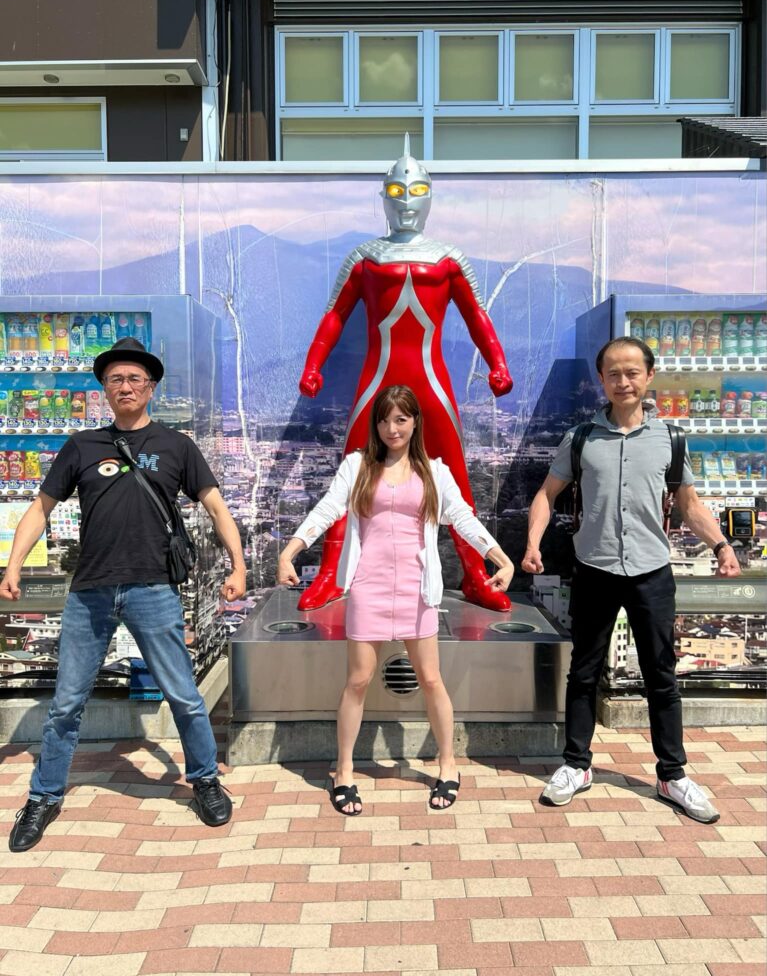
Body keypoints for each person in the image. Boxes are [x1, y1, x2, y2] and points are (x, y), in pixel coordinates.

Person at [2, 336, 247, 852]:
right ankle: (44, 796)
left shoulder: (176, 446)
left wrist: (239, 565)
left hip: (153, 588)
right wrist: (14, 565)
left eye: (135, 378)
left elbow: (216, 507)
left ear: (151, 387)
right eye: (116, 379)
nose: (126, 386)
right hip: (89, 590)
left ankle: (204, 779)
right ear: (104, 390)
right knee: (66, 703)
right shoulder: (81, 446)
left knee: (183, 695)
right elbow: (41, 509)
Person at [522, 336, 740, 823]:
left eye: (632, 372)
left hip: (651, 572)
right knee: (584, 672)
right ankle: (576, 765)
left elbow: (688, 505)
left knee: (662, 675)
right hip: (595, 570)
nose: (623, 381)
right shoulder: (581, 437)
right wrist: (533, 542)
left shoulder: (670, 439)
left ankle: (672, 774)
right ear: (601, 379)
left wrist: (722, 545)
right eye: (613, 373)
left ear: (649, 376)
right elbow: (547, 494)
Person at [297, 137, 514, 613]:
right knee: (352, 476)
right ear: (384, 198)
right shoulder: (365, 257)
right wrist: (312, 365)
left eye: (416, 191)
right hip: (377, 386)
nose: (407, 202)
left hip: (431, 387)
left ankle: (475, 576)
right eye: (397, 192)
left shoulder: (449, 258)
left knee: (454, 477)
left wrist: (498, 363)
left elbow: (476, 315)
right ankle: (331, 574)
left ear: (430, 196)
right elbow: (335, 314)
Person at [277, 385, 515, 814]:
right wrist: (290, 550)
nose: (392, 428)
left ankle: (448, 764)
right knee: (358, 680)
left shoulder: (434, 472)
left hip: (417, 588)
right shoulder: (357, 466)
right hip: (367, 586)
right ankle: (344, 771)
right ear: (376, 425)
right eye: (385, 420)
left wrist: (499, 557)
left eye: (401, 419)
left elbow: (462, 517)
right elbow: (327, 509)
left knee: (431, 679)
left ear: (415, 423)